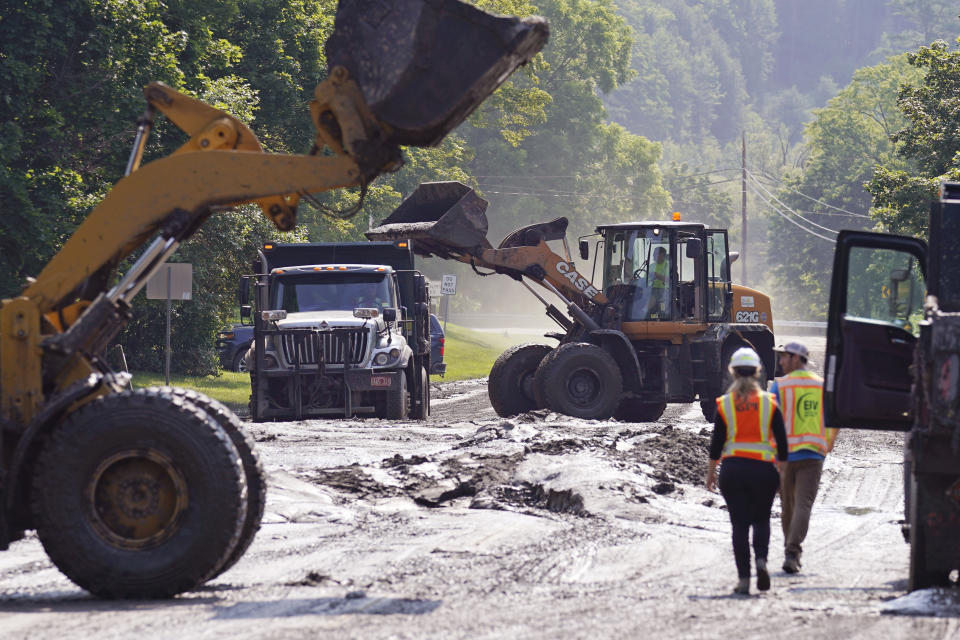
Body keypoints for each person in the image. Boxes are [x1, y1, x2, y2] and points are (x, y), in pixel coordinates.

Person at [706, 347, 789, 595]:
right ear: (758, 372)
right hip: (764, 470)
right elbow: (783, 445)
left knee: (739, 526)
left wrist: (711, 473)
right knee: (761, 519)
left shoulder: (724, 404)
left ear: (731, 372)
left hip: (733, 471)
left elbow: (716, 444)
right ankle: (761, 561)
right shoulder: (769, 402)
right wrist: (783, 476)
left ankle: (744, 580)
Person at [770, 342, 837, 574]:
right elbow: (834, 417)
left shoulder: (780, 386)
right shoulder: (822, 386)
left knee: (788, 506)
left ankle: (791, 550)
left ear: (796, 358)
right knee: (802, 505)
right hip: (813, 454)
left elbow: (768, 419)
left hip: (786, 456)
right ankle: (792, 551)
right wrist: (828, 442)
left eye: (784, 357)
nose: (780, 362)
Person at [647, 246, 669, 317]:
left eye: (655, 254)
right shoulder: (651, 266)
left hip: (665, 291)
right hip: (652, 289)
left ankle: (662, 315)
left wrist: (657, 275)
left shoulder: (668, 266)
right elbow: (646, 280)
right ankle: (650, 315)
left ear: (662, 255)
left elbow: (670, 280)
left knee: (661, 302)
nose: (653, 256)